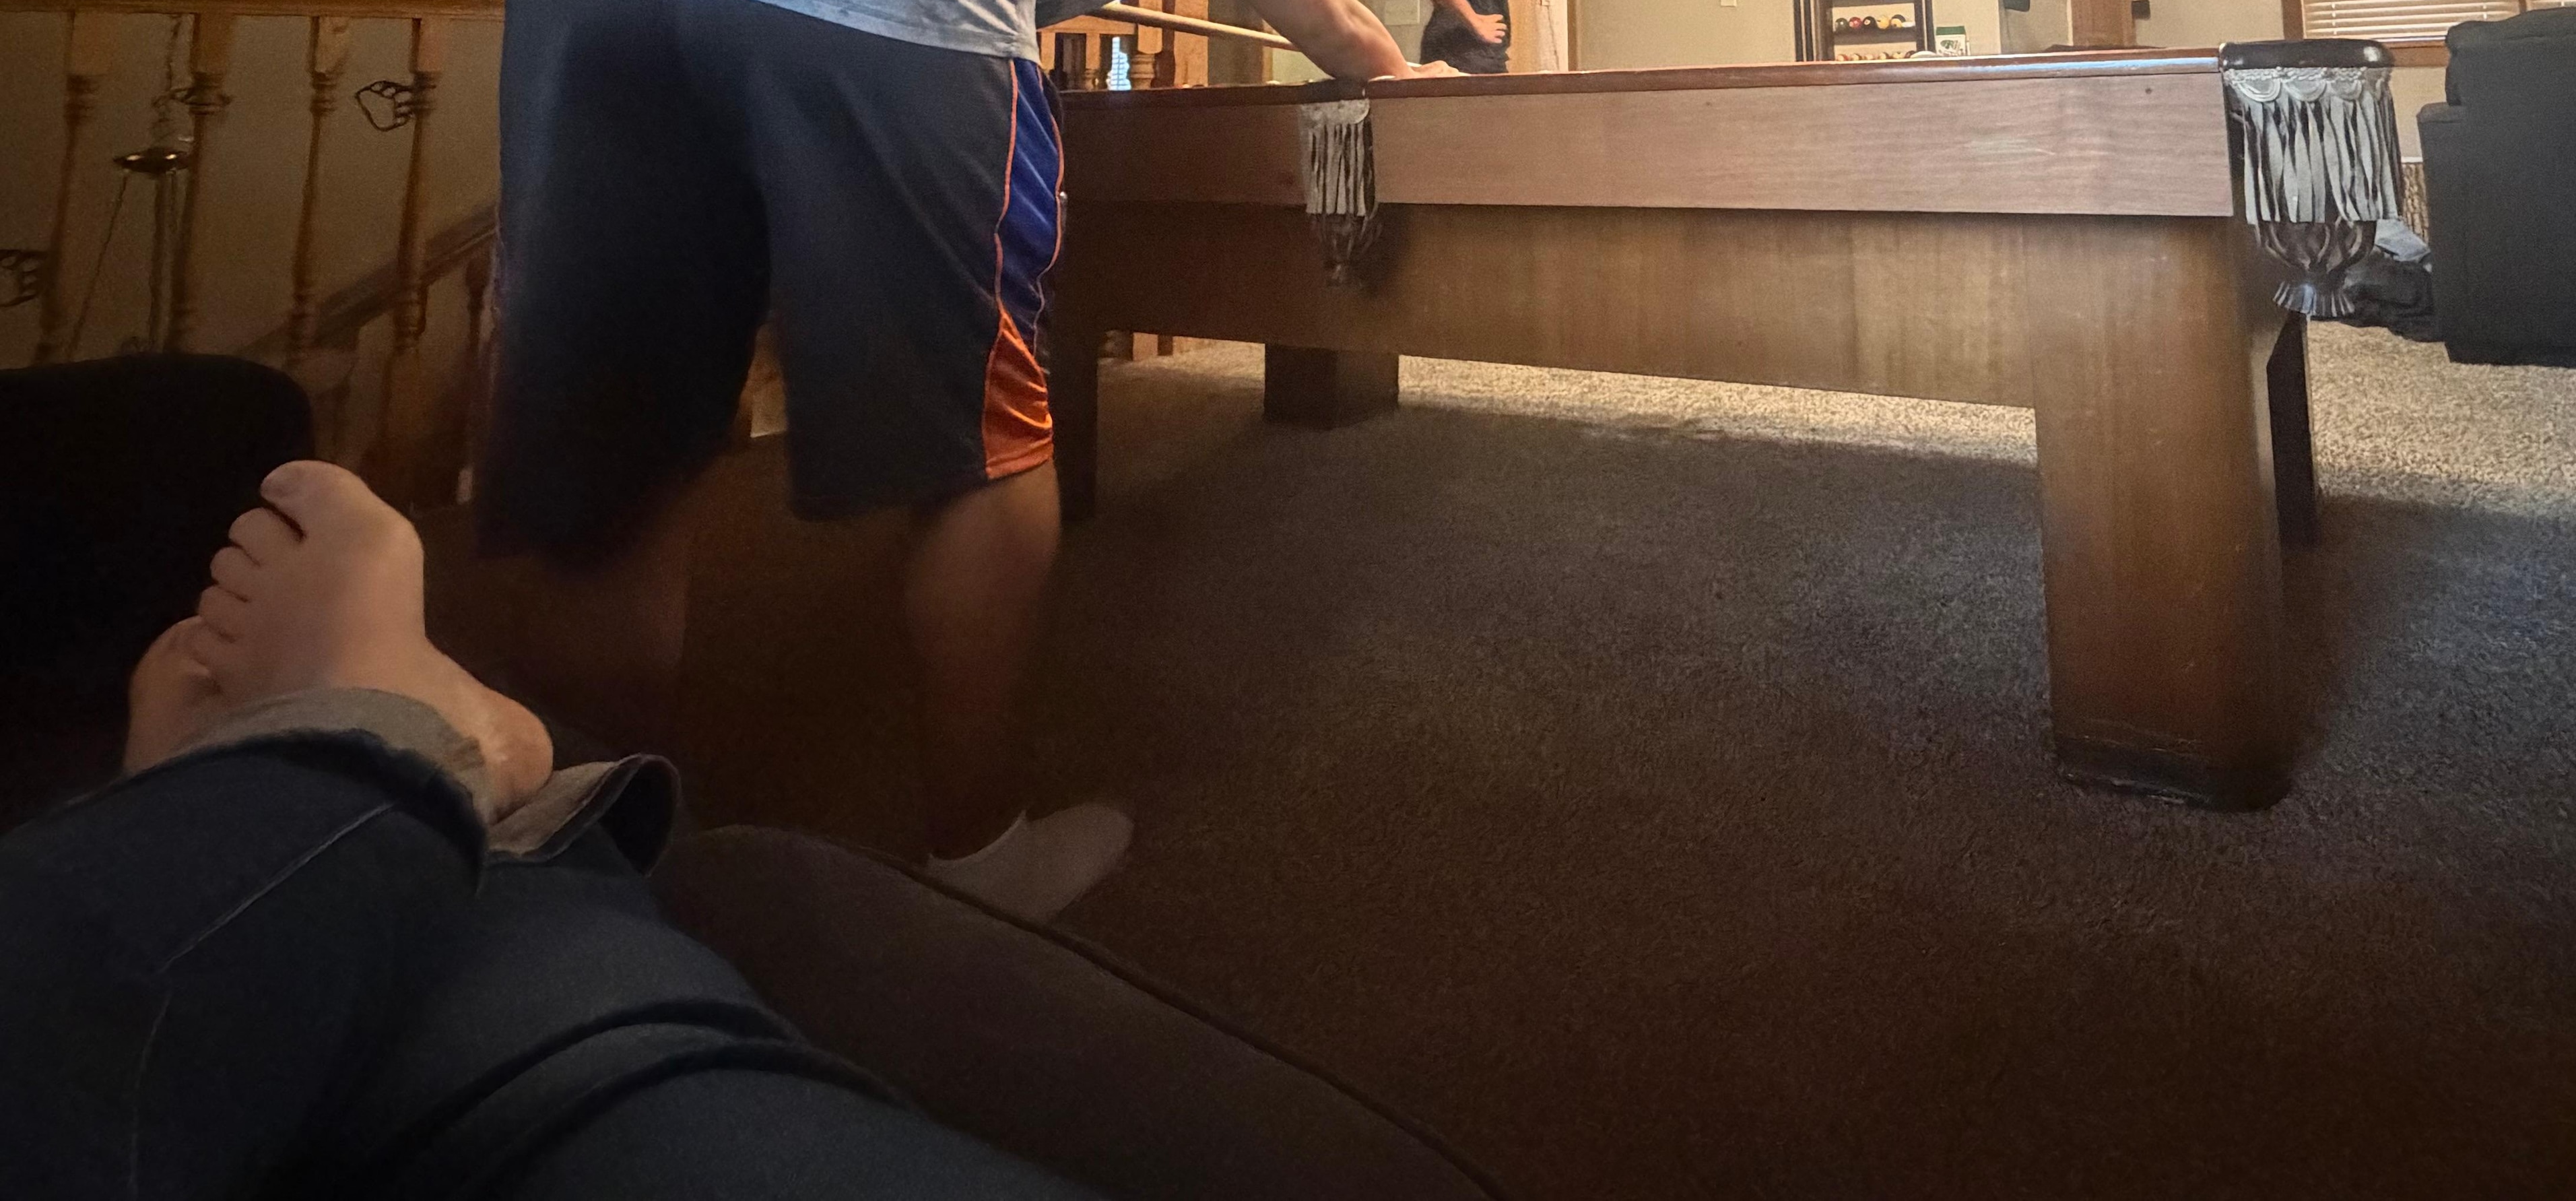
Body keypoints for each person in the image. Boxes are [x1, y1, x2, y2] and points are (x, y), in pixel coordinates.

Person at [401, 0, 1420, 921]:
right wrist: (1420, 94)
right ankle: (984, 855)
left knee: (617, 431)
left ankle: (588, 853)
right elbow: (1340, 30)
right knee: (978, 441)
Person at [0, 460, 1491, 1200]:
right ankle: (400, 764)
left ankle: (374, 781)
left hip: (610, 8)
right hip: (888, 28)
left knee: (631, 427)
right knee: (981, 431)